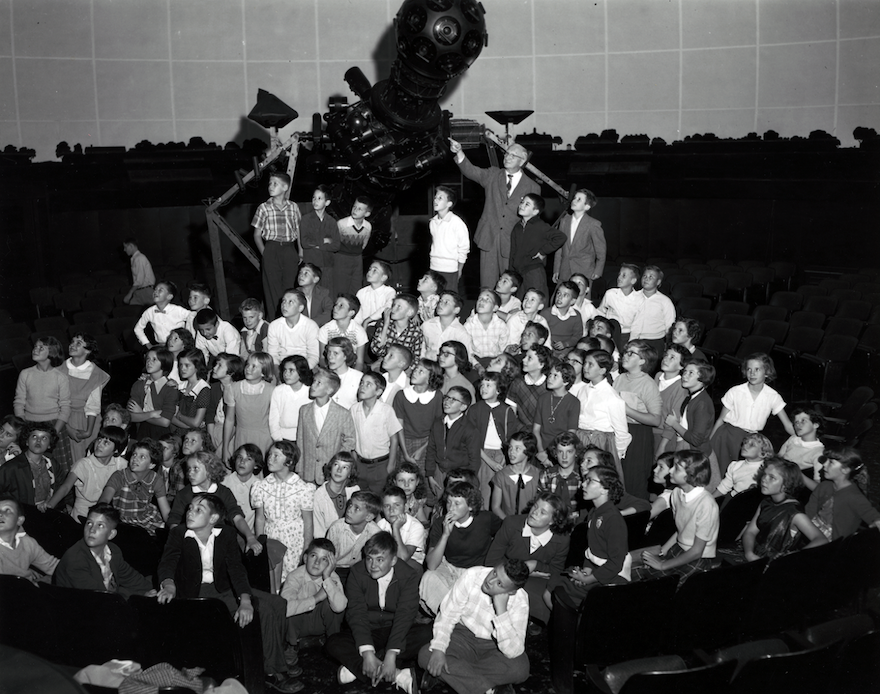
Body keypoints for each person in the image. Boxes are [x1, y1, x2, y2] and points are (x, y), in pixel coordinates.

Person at [158, 492, 303, 693]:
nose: (190, 512)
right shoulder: (179, 534)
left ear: (213, 519)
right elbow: (167, 563)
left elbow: (236, 569)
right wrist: (169, 585)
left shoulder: (225, 534)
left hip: (223, 588)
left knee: (278, 603)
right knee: (265, 612)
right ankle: (272, 672)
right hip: (196, 592)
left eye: (198, 510)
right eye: (190, 508)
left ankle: (275, 655)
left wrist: (245, 599)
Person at [325, 531, 431, 691]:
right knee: (333, 642)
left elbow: (405, 616)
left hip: (394, 629)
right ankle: (397, 675)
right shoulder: (357, 572)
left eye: (380, 560)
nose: (373, 565)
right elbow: (356, 613)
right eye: (369, 559)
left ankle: (359, 669)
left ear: (394, 560)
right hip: (369, 629)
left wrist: (391, 654)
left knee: (428, 633)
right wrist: (367, 652)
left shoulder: (408, 575)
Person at [418, 558, 531, 694]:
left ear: (512, 592)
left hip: (494, 646)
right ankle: (489, 690)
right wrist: (439, 649)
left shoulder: (520, 600)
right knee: (426, 655)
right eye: (494, 573)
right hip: (462, 637)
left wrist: (501, 612)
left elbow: (513, 651)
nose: (490, 581)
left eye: (499, 583)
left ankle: (447, 675)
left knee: (520, 669)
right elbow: (447, 614)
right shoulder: (473, 576)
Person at [448, 137, 540, 288]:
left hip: (513, 243)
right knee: (487, 285)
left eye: (512, 155)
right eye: (506, 154)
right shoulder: (492, 175)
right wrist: (459, 152)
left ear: (522, 161)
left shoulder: (532, 187)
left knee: (508, 286)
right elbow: (471, 171)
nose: (507, 157)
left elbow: (533, 223)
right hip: (489, 238)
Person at [633, 450, 719, 584]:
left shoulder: (706, 504)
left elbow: (697, 551)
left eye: (676, 468)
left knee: (663, 586)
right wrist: (663, 551)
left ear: (691, 475)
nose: (670, 471)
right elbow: (681, 529)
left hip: (698, 559)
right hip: (678, 548)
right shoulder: (677, 494)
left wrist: (662, 565)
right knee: (637, 574)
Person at [485, 491, 569, 623]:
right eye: (535, 506)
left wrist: (535, 564)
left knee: (547, 601)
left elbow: (556, 570)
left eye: (542, 512)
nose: (534, 513)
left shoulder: (561, 540)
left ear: (553, 521)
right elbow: (492, 560)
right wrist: (524, 570)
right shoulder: (511, 523)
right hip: (505, 571)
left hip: (536, 580)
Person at [419, 481, 501, 615]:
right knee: (429, 577)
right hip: (450, 569)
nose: (451, 508)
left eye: (457, 504)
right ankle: (451, 617)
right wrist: (445, 535)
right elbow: (432, 565)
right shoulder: (440, 523)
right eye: (449, 502)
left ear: (470, 506)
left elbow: (505, 534)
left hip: (476, 572)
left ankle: (458, 617)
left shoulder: (486, 519)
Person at [709, 353, 794, 483]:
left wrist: (805, 439)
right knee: (720, 476)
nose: (752, 373)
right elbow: (720, 419)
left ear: (767, 372)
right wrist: (709, 442)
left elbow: (787, 425)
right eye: (749, 369)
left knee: (742, 478)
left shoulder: (772, 396)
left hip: (751, 441)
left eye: (757, 369)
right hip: (726, 436)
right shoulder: (735, 391)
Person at [166, 451, 262, 556]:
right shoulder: (183, 494)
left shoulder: (223, 492)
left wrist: (250, 537)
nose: (190, 473)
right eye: (189, 469)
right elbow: (174, 521)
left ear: (209, 470)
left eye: (195, 469)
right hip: (193, 540)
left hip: (220, 539)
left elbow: (237, 517)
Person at [54, 502, 153, 596]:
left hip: (105, 598)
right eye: (89, 523)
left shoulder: (113, 550)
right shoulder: (76, 559)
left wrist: (151, 591)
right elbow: (100, 599)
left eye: (100, 525)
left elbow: (130, 577)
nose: (92, 530)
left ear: (111, 534)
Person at [740, 458, 827, 562]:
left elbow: (821, 540)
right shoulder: (766, 503)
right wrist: (749, 554)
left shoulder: (795, 513)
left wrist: (790, 558)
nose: (764, 479)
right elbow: (750, 532)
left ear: (786, 485)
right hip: (755, 555)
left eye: (772, 477)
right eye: (765, 474)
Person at [253, 441, 316, 585]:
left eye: (276, 455)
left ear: (290, 461)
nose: (270, 459)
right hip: (271, 538)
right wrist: (260, 542)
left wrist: (306, 549)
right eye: (269, 455)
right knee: (271, 580)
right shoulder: (261, 486)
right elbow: (260, 519)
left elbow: (308, 522)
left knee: (292, 581)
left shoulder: (303, 488)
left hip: (295, 541)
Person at [45, 425, 128, 521]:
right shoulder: (83, 464)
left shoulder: (120, 464)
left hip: (106, 514)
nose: (99, 444)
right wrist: (49, 505)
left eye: (106, 442)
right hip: (82, 514)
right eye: (99, 440)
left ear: (116, 450)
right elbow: (65, 487)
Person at [280, 537, 347, 655]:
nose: (317, 562)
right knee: (293, 607)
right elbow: (284, 608)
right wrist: (316, 598)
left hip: (320, 624)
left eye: (324, 559)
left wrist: (327, 578)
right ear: (305, 558)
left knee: (332, 601)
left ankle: (334, 643)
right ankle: (291, 647)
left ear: (331, 564)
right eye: (313, 556)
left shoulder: (332, 577)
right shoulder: (294, 576)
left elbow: (340, 607)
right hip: (298, 627)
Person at [614, 340, 662, 500]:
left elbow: (656, 419)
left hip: (637, 436)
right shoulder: (620, 378)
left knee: (633, 480)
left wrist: (627, 410)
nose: (625, 356)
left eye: (631, 353)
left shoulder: (648, 384)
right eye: (625, 352)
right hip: (618, 431)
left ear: (642, 360)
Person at [252, 171, 302, 321]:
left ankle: (290, 322)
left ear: (285, 187)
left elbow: (298, 230)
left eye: (275, 183)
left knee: (289, 288)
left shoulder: (293, 207)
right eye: (270, 183)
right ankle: (274, 323)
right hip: (271, 249)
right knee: (272, 290)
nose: (271, 186)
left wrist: (300, 251)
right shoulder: (263, 208)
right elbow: (256, 234)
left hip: (289, 249)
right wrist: (265, 253)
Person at [469, 372, 522, 508]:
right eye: (482, 385)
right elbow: (472, 440)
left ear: (498, 390)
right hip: (481, 455)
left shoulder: (507, 410)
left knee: (501, 494)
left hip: (502, 455)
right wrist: (489, 461)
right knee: (483, 493)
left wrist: (504, 459)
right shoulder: (475, 409)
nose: (483, 388)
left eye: (488, 385)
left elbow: (512, 438)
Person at [296, 368, 356, 485]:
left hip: (331, 474)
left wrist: (337, 464)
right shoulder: (304, 410)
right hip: (308, 473)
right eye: (313, 381)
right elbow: (300, 441)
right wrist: (299, 469)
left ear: (329, 390)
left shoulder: (342, 413)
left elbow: (350, 441)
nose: (313, 385)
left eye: (318, 383)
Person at [805, 447, 880, 540]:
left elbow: (871, 514)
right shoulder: (824, 486)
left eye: (831, 462)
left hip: (833, 543)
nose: (824, 465)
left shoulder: (854, 497)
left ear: (845, 470)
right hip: (812, 530)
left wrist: (876, 521)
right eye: (826, 460)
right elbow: (810, 510)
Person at [98, 438, 170, 535]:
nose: (135, 458)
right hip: (123, 520)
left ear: (152, 465)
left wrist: (173, 528)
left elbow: (166, 511)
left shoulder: (156, 479)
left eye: (142, 457)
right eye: (134, 454)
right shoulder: (119, 476)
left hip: (146, 518)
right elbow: (104, 499)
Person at [576, 349, 630, 476]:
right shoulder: (582, 390)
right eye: (585, 363)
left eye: (590, 364)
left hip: (599, 443)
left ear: (602, 370)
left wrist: (616, 454)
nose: (585, 367)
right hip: (581, 439)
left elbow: (622, 432)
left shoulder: (612, 397)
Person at [393, 359, 444, 482]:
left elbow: (437, 427)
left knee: (422, 481)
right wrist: (405, 453)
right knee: (404, 478)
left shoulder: (437, 396)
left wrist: (422, 449)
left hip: (427, 443)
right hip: (404, 442)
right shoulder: (401, 395)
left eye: (421, 371)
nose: (415, 372)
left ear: (429, 379)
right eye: (416, 369)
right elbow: (398, 427)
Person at [63, 333, 110, 464]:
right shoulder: (58, 371)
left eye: (78, 343)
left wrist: (89, 431)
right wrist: (68, 429)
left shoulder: (96, 374)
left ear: (88, 350)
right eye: (72, 341)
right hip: (63, 421)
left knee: (89, 462)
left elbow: (93, 405)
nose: (72, 345)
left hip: (88, 422)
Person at [509, 193, 565, 302]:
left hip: (534, 271)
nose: (522, 205)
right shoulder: (517, 227)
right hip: (519, 272)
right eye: (522, 202)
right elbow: (513, 251)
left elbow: (561, 237)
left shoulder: (540, 226)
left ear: (535, 211)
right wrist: (512, 273)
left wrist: (543, 251)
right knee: (520, 302)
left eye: (527, 204)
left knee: (537, 301)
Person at [426, 386, 480, 496]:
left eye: (453, 400)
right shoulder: (438, 423)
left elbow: (474, 459)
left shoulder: (469, 429)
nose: (447, 401)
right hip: (439, 473)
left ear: (463, 406)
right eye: (447, 397)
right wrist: (430, 475)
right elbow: (431, 449)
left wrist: (468, 481)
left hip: (459, 477)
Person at [223, 351, 276, 457]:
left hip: (264, 438)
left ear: (263, 372)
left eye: (254, 366)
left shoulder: (272, 390)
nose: (248, 368)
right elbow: (229, 420)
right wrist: (225, 448)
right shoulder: (233, 388)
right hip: (242, 437)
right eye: (247, 364)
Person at [13, 337, 70, 435]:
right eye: (35, 346)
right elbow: (19, 402)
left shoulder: (61, 377)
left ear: (52, 352)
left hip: (54, 424)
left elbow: (65, 407)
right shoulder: (25, 374)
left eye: (41, 348)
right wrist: (23, 425)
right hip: (29, 423)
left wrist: (54, 432)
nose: (35, 349)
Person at [0, 422, 61, 509]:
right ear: (27, 441)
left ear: (49, 445)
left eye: (44, 438)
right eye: (34, 436)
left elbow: (60, 488)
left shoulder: (52, 464)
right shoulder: (12, 467)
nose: (38, 441)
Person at [552, 188, 605, 288]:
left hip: (584, 271)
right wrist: (556, 269)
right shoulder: (564, 221)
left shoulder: (593, 224)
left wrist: (598, 271)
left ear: (587, 206)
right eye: (574, 198)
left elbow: (601, 251)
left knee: (581, 301)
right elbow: (559, 247)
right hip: (564, 270)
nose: (574, 201)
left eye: (579, 199)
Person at [0, 494, 59, 581]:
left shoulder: (27, 543)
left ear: (19, 520)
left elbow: (52, 565)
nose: (0, 514)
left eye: (7, 510)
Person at [663, 359, 715, 455]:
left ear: (703, 378)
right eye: (685, 372)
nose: (684, 376)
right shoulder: (691, 395)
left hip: (694, 453)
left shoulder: (702, 403)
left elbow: (696, 440)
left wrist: (674, 424)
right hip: (685, 446)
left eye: (691, 373)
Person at [325, 491, 382, 575]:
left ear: (368, 517)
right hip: (335, 569)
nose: (349, 510)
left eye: (357, 508)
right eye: (350, 505)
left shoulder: (375, 533)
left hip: (361, 570)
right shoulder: (336, 528)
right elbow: (327, 557)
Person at [128, 348, 179, 440]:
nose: (149, 362)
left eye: (154, 359)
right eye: (148, 359)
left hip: (163, 435)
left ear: (164, 363)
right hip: (141, 431)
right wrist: (151, 414)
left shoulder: (170, 388)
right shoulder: (139, 384)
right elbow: (131, 416)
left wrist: (141, 413)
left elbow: (165, 422)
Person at [533, 362, 580, 461]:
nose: (550, 378)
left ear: (566, 382)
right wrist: (541, 452)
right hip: (540, 448)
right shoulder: (543, 398)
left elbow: (571, 434)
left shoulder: (573, 402)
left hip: (561, 451)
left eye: (555, 376)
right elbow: (536, 429)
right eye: (550, 374)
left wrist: (554, 454)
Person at [491, 432, 542, 520]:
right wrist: (509, 522)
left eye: (517, 448)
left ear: (528, 451)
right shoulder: (501, 475)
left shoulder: (538, 475)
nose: (511, 452)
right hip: (507, 523)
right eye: (510, 447)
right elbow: (495, 507)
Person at [299, 184, 340, 293]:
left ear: (327, 202)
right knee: (309, 296)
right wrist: (324, 241)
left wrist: (317, 245)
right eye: (313, 198)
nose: (315, 201)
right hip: (311, 265)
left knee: (326, 296)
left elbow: (336, 246)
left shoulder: (332, 222)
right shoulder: (305, 220)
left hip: (327, 266)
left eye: (319, 198)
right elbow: (305, 243)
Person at [429, 185, 470, 290]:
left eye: (440, 198)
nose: (435, 200)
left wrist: (459, 269)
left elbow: (464, 248)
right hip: (434, 267)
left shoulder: (457, 223)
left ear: (449, 204)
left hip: (450, 269)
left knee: (448, 297)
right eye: (435, 197)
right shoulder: (432, 222)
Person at [267, 289, 320, 369]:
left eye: (290, 302)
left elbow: (313, 356)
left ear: (300, 308)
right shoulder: (274, 325)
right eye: (284, 301)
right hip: (282, 366)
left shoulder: (311, 326)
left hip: (304, 366)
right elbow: (273, 354)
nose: (284, 305)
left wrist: (301, 371)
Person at [629, 266, 676, 356]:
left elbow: (670, 326)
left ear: (658, 282)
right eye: (645, 276)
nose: (646, 279)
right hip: (633, 340)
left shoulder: (664, 301)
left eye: (651, 277)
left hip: (654, 343)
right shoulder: (633, 297)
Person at [378, 486, 427, 572]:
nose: (391, 510)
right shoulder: (381, 524)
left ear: (405, 506)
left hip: (411, 564)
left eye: (397, 505)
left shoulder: (416, 526)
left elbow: (402, 557)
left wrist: (395, 528)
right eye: (387, 506)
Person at [538, 432, 583, 522]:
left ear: (576, 452)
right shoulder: (547, 475)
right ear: (555, 453)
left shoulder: (582, 477)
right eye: (560, 451)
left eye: (569, 452)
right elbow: (540, 503)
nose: (564, 456)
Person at [313, 452, 360, 539]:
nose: (339, 470)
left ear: (350, 473)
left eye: (345, 467)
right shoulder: (319, 496)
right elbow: (318, 534)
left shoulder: (355, 491)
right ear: (330, 468)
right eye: (336, 465)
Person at [597, 264, 644, 351]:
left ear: (633, 281)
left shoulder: (639, 299)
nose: (619, 277)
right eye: (619, 274)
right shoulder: (610, 294)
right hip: (609, 333)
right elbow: (601, 311)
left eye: (624, 275)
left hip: (626, 335)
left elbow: (638, 324)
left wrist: (632, 341)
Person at [713, 433, 773, 499]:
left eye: (752, 445)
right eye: (745, 442)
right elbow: (723, 487)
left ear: (763, 453)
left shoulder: (766, 470)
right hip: (735, 500)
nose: (745, 445)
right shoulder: (735, 465)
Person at [370, 294, 424, 366]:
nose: (393, 309)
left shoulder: (416, 332)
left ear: (409, 312)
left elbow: (416, 358)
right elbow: (376, 350)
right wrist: (386, 324)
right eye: (393, 305)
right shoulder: (385, 325)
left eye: (399, 307)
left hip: (403, 368)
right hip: (384, 363)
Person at [653, 344, 688, 455]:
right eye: (666, 355)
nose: (666, 359)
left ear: (681, 366)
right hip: (650, 430)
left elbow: (673, 420)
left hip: (664, 436)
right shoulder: (658, 376)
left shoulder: (680, 387)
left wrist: (662, 446)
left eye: (672, 357)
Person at [133, 281, 191, 348]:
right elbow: (138, 328)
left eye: (160, 290)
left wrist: (188, 336)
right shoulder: (149, 312)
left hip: (178, 346)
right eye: (155, 290)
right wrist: (147, 343)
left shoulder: (178, 310)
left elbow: (193, 317)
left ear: (169, 296)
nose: (156, 292)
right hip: (161, 346)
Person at [269, 354, 313, 442]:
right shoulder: (279, 391)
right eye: (285, 370)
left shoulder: (311, 391)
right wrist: (278, 439)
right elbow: (273, 419)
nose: (286, 374)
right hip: (283, 438)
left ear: (301, 372)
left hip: (306, 438)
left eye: (291, 370)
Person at [335, 196, 373, 297]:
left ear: (367, 213)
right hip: (342, 258)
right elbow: (335, 242)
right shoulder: (342, 224)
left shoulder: (368, 226)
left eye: (359, 209)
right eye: (354, 207)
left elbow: (364, 244)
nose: (355, 210)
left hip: (357, 260)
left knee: (356, 288)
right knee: (341, 288)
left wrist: (356, 254)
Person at [464, 289, 509, 370]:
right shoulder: (469, 325)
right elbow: (467, 350)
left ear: (495, 308)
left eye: (487, 299)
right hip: (475, 361)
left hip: (495, 360)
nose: (482, 301)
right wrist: (477, 365)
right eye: (480, 298)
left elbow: (503, 348)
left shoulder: (501, 325)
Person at [319, 294, 368, 369]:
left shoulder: (359, 331)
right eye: (336, 305)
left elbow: (359, 362)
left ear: (351, 313)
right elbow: (322, 358)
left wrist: (352, 376)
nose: (335, 308)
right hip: (331, 367)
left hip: (351, 368)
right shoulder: (325, 329)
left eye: (341, 306)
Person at [421, 291, 473, 362]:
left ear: (456, 310)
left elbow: (468, 358)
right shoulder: (427, 325)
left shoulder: (461, 333)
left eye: (446, 302)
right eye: (440, 301)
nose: (441, 304)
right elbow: (421, 348)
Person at [223, 444, 263, 535]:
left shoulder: (260, 486)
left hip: (250, 536)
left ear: (256, 465)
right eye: (239, 457)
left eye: (248, 459)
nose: (242, 462)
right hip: (227, 534)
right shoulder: (224, 483)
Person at [170, 349, 210, 434]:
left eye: (187, 365)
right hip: (176, 432)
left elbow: (196, 423)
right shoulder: (181, 386)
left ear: (197, 366)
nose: (182, 368)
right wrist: (187, 425)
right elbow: (170, 416)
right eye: (180, 365)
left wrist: (179, 416)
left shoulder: (203, 389)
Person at [778, 408, 825, 480]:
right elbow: (779, 457)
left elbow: (818, 485)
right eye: (796, 422)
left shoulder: (818, 452)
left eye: (803, 421)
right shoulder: (793, 439)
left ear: (815, 425)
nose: (798, 424)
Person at [541, 281, 582, 357]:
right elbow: (540, 334)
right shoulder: (546, 313)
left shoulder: (576, 315)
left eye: (565, 295)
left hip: (567, 350)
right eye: (558, 293)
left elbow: (577, 336)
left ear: (572, 301)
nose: (560, 297)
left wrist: (566, 344)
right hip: (547, 348)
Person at [326, 337, 363, 410]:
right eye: (329, 352)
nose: (330, 357)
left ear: (345, 356)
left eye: (335, 353)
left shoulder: (358, 378)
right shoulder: (324, 376)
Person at [296, 262, 333, 326]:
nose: (301, 275)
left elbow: (330, 312)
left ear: (315, 279)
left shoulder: (323, 293)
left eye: (306, 273)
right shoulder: (294, 294)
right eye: (300, 272)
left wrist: (311, 323)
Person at [122, 237, 156, 305]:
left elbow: (139, 280)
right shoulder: (135, 259)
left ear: (131, 246)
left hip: (145, 292)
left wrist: (129, 294)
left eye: (125, 247)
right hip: (139, 291)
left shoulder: (139, 258)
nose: (124, 250)